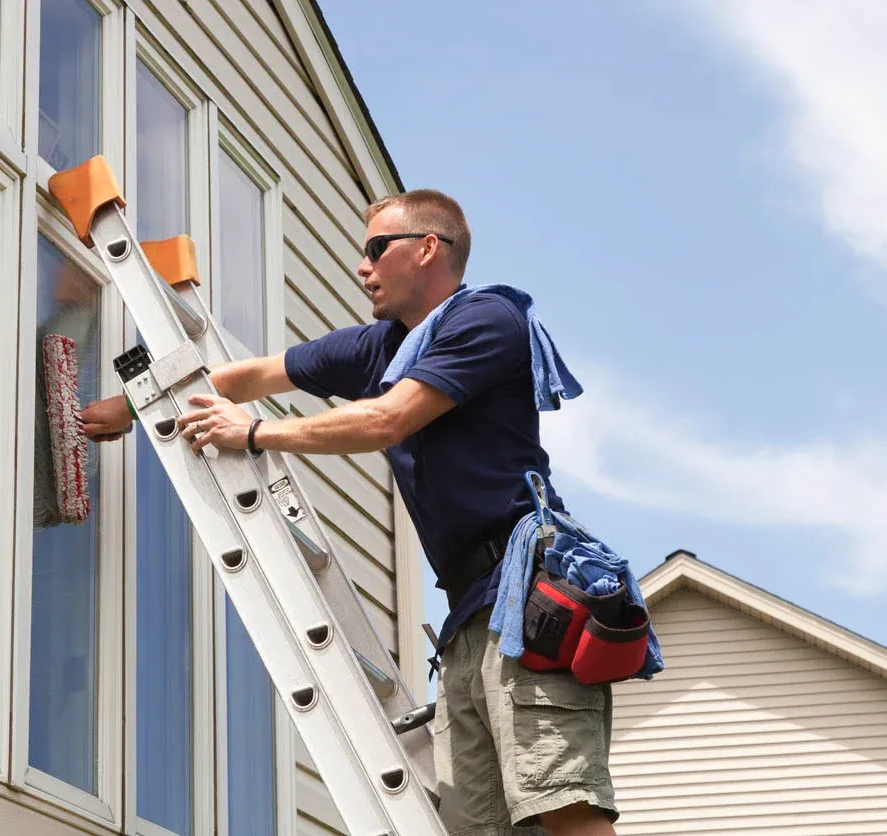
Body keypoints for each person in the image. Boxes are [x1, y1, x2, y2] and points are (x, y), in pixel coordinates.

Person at [78, 190, 618, 835]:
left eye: (375, 249)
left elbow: (388, 419)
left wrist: (252, 436)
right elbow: (251, 376)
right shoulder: (383, 347)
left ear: (427, 249)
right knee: (477, 827)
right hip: (470, 614)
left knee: (560, 804)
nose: (362, 267)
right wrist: (126, 407)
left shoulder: (488, 320)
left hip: (526, 598)